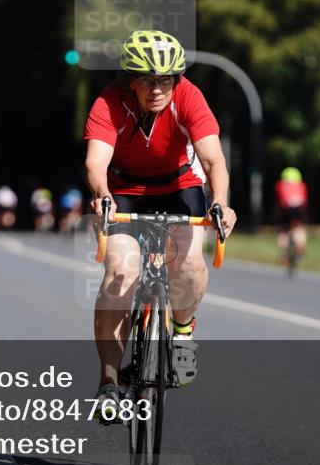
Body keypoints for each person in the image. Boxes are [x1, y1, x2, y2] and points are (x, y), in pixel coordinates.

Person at [84, 29, 236, 421]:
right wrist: (103, 194)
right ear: (129, 81)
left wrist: (220, 203)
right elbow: (95, 163)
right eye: (147, 80)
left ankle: (182, 332)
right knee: (120, 270)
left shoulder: (188, 96)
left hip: (178, 186)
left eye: (165, 80)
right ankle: (109, 380)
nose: (157, 89)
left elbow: (213, 160)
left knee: (188, 263)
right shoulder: (109, 101)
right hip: (124, 190)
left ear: (177, 79)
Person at [275, 167, 308, 257]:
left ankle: (284, 253)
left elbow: (278, 201)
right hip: (298, 210)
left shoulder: (280, 185)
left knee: (283, 230)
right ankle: (300, 249)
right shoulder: (302, 185)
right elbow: (304, 202)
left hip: (285, 210)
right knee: (298, 228)